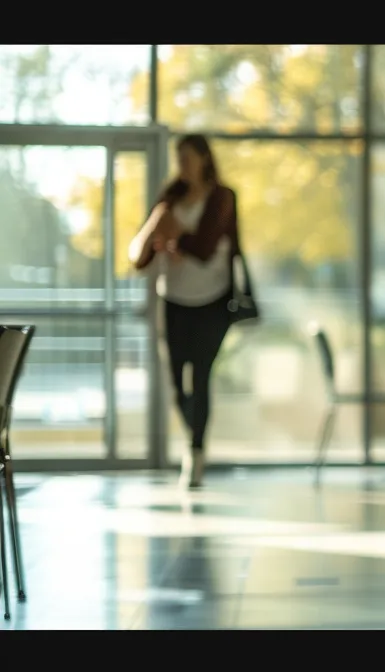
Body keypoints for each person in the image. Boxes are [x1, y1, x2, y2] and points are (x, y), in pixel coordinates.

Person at [129, 134, 240, 489]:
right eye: (179, 158)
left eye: (189, 157)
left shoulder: (222, 196)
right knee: (178, 383)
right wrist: (162, 227)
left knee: (202, 376)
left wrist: (177, 238)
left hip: (213, 301)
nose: (183, 165)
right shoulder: (170, 196)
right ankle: (194, 437)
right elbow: (141, 254)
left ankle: (196, 452)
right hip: (174, 299)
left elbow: (207, 247)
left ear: (205, 159)